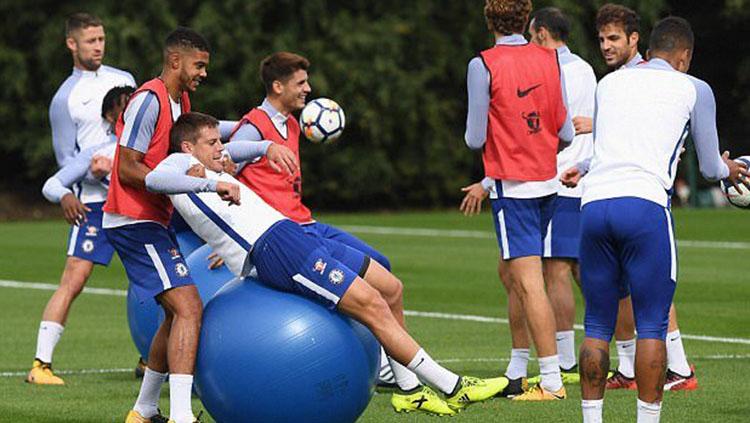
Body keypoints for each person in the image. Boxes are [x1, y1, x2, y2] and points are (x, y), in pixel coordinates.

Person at [146, 112, 509, 417]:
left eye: (218, 141)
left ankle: (415, 390)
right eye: (211, 143)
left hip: (292, 235)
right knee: (371, 305)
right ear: (187, 147)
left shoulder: (209, 163)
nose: (221, 148)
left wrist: (260, 148)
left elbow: (235, 148)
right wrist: (210, 186)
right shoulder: (181, 167)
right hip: (275, 248)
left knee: (384, 293)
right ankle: (453, 385)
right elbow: (153, 179)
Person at [562, 17, 749, 422]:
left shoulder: (609, 83)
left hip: (593, 205)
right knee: (651, 325)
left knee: (596, 325)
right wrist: (732, 170)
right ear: (685, 56)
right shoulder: (694, 87)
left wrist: (584, 167)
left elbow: (610, 143)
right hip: (644, 206)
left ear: (647, 49)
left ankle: (591, 419)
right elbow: (711, 168)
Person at [226, 51, 396, 387]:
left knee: (384, 268)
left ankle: (387, 363)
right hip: (283, 238)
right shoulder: (253, 128)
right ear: (277, 85)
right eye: (300, 82)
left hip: (308, 224)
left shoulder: (292, 122)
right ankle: (393, 369)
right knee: (375, 288)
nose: (308, 88)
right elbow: (225, 160)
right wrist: (235, 236)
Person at [577, 3, 698, 392]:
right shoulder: (613, 81)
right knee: (630, 290)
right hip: (621, 193)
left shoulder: (638, 81)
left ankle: (676, 366)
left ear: (636, 40)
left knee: (643, 295)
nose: (606, 46)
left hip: (630, 196)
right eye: (601, 39)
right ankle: (632, 369)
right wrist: (583, 166)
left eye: (614, 38)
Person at [463, 0, 574, 401]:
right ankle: (517, 366)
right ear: (526, 20)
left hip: (514, 186)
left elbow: (475, 138)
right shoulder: (550, 58)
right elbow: (565, 131)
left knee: (529, 283)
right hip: (547, 183)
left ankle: (551, 381)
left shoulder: (483, 64)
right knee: (510, 274)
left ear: (488, 19)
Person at [103, 27, 209, 423]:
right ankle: (181, 416)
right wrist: (182, 182)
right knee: (189, 308)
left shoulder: (180, 100)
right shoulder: (148, 100)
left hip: (151, 218)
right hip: (133, 218)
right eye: (199, 65)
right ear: (175, 60)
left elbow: (204, 137)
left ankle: (144, 411)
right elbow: (128, 166)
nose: (203, 74)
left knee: (174, 312)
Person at [27, 86, 133, 385]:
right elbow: (51, 184)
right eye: (125, 106)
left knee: (154, 285)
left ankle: (150, 360)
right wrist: (65, 196)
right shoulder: (96, 152)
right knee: (73, 281)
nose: (133, 112)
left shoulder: (153, 149)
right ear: (110, 116)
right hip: (98, 212)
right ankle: (40, 364)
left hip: (137, 214)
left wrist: (111, 172)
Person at [50, 12, 136, 168]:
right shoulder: (63, 99)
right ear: (72, 44)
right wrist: (93, 171)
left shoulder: (125, 80)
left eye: (101, 40)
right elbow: (65, 160)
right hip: (91, 192)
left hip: (128, 187)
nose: (98, 47)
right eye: (91, 41)